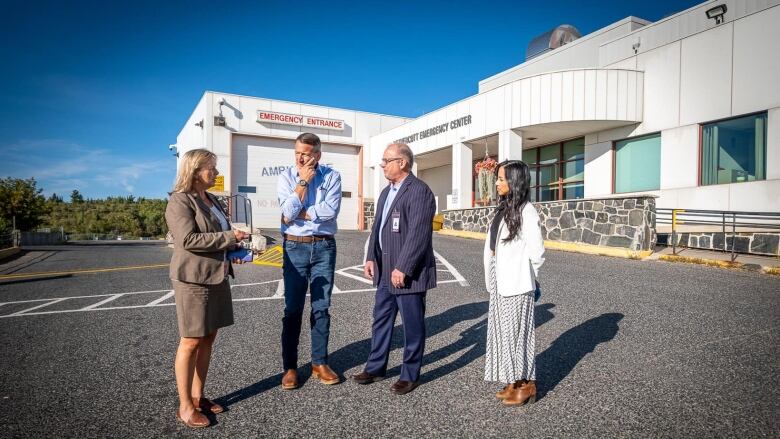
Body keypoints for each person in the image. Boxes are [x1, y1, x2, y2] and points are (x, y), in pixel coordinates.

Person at [165, 149, 249, 428]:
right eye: (211, 168)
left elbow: (217, 236)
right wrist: (229, 236)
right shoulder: (179, 201)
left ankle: (198, 396)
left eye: (215, 168)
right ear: (194, 171)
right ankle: (185, 406)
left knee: (209, 337)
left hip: (217, 276)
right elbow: (189, 239)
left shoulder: (211, 200)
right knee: (190, 341)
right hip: (193, 279)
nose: (215, 173)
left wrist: (237, 247)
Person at [352, 142, 437, 395]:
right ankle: (376, 368)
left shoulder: (419, 191)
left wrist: (403, 267)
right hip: (384, 270)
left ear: (402, 162)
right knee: (381, 321)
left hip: (406, 274)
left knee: (412, 326)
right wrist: (370, 257)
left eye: (386, 160)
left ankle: (410, 375)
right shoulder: (385, 192)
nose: (382, 165)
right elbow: (377, 227)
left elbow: (418, 234)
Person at [277, 132, 342, 390]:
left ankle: (319, 363)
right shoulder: (286, 177)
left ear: (318, 154)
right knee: (293, 308)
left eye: (306, 153)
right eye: (297, 153)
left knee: (321, 307)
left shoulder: (332, 176)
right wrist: (302, 183)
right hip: (295, 247)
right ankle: (290, 367)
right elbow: (286, 213)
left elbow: (331, 212)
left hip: (324, 247)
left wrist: (302, 213)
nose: (301, 158)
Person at [483, 160, 545, 407]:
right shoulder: (504, 208)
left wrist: (526, 276)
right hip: (500, 280)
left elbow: (537, 252)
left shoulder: (526, 210)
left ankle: (526, 385)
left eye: (501, 178)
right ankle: (513, 379)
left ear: (515, 181)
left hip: (517, 283)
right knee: (503, 335)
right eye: (497, 178)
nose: (497, 183)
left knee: (518, 335)